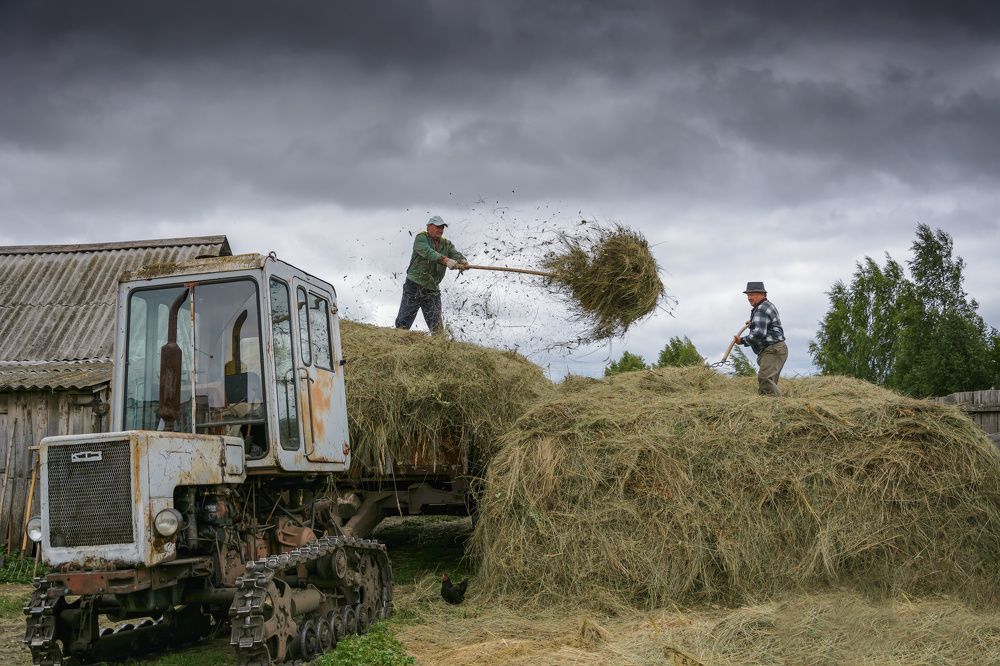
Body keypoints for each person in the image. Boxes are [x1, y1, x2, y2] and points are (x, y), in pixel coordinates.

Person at [394, 215, 468, 333]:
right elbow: (428, 253)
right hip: (414, 285)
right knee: (403, 323)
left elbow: (455, 254)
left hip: (432, 288)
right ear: (429, 227)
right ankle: (397, 343)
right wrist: (446, 260)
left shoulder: (446, 244)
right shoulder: (421, 238)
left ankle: (439, 346)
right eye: (438, 227)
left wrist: (462, 261)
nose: (441, 230)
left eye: (442, 227)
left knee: (437, 327)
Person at [734, 281, 788, 396]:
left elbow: (758, 334)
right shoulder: (765, 306)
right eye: (748, 295)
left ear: (762, 294)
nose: (749, 298)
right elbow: (766, 326)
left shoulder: (761, 309)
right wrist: (754, 322)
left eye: (752, 294)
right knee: (768, 384)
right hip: (774, 349)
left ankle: (781, 406)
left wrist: (742, 340)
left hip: (773, 350)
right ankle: (771, 409)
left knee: (765, 380)